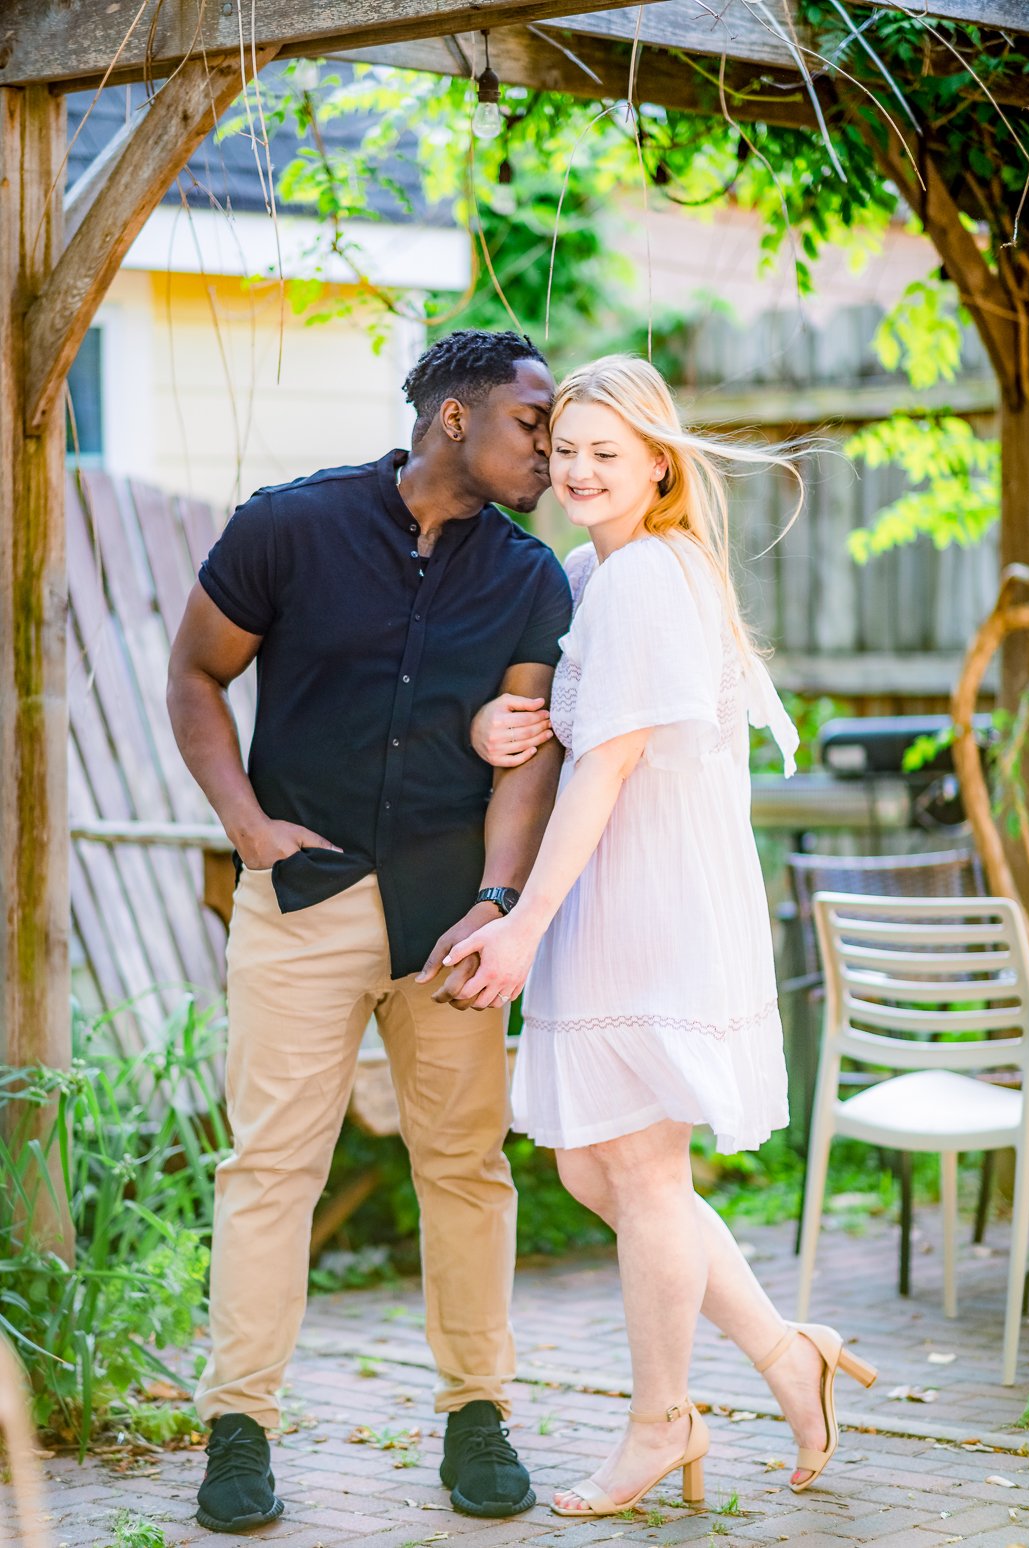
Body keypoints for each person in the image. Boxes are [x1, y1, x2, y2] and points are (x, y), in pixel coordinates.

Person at [446, 355, 878, 1518]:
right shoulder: (601, 571)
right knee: (600, 1165)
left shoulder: (644, 581)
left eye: (605, 452)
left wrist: (525, 922)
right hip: (620, 892)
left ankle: (661, 1422)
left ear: (657, 462)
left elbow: (613, 763)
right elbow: (554, 724)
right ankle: (792, 1360)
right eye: (568, 449)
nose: (579, 470)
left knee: (639, 1171)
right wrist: (500, 721)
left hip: (650, 900)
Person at [166, 329, 573, 1532]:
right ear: (455, 418)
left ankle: (477, 1416)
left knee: (465, 1169)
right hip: (303, 903)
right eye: (531, 423)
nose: (548, 447)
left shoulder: (531, 578)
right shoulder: (288, 528)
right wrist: (246, 828)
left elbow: (527, 757)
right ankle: (237, 1435)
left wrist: (497, 903)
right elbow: (195, 675)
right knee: (268, 1170)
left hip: (447, 918)